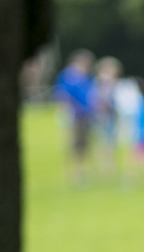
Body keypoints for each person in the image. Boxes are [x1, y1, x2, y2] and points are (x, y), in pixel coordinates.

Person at [53, 49, 94, 185]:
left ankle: (81, 172)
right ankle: (72, 173)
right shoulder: (69, 76)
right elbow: (62, 96)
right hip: (75, 116)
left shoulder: (84, 77)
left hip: (85, 115)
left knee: (83, 145)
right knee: (73, 144)